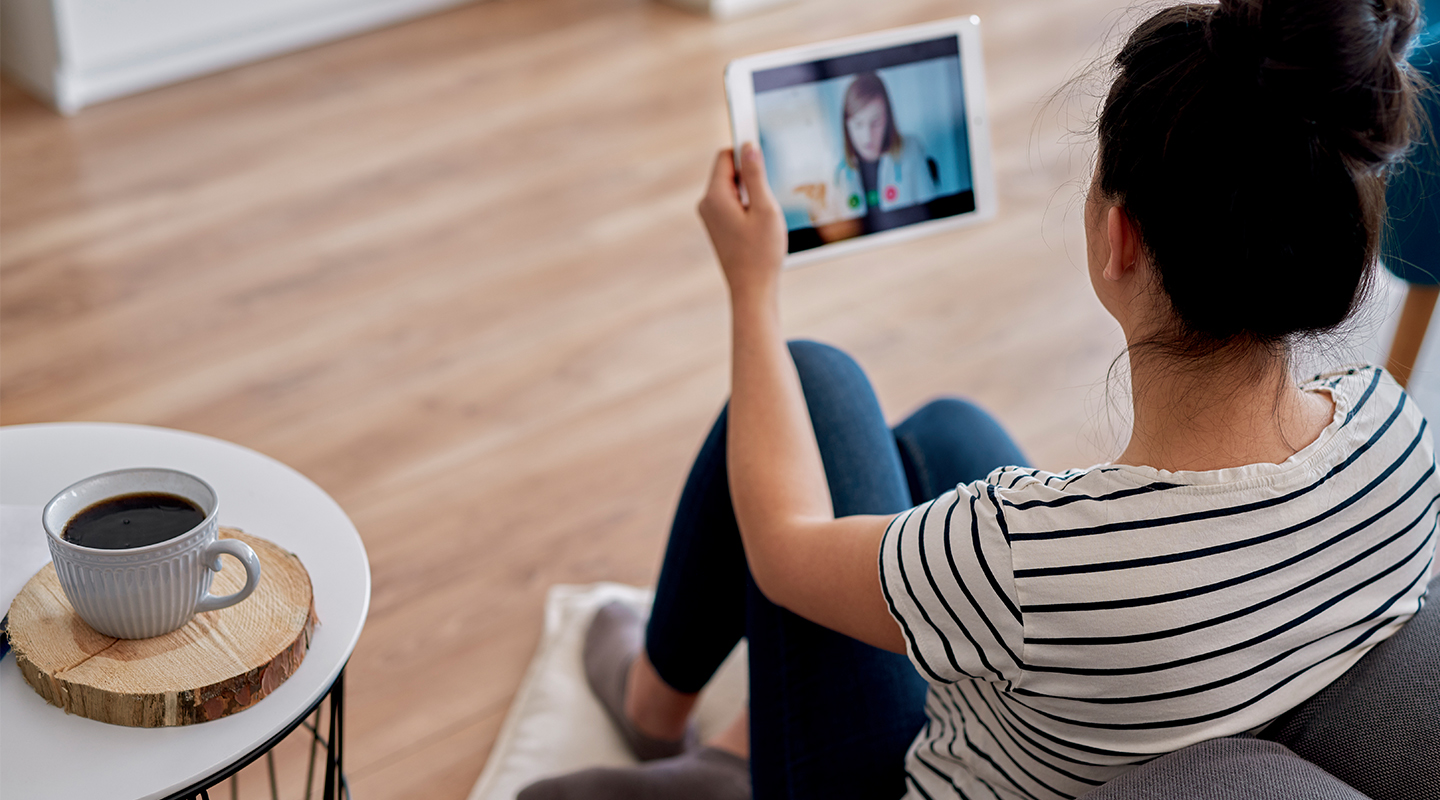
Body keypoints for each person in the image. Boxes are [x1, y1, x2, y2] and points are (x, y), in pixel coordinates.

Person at [520, 1, 1436, 798]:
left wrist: (751, 289)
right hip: (1128, 707)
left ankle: (655, 708)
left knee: (808, 377)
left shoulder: (1031, 558)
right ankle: (727, 748)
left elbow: (781, 549)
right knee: (949, 432)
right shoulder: (1400, 438)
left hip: (907, 782)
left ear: (1120, 238)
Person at [799, 71, 939, 241]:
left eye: (875, 123)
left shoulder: (911, 150)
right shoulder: (833, 164)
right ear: (846, 125)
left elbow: (933, 219)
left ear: (888, 119)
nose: (867, 137)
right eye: (858, 124)